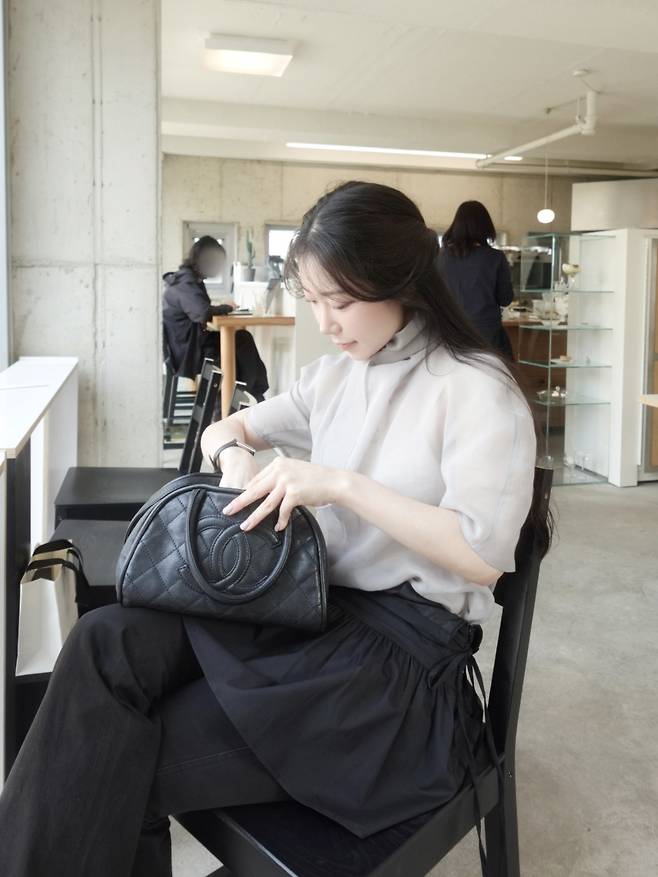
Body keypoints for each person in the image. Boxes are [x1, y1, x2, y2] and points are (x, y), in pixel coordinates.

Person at [0, 182, 551, 877]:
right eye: (313, 300)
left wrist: (340, 485)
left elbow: (482, 556)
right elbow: (227, 428)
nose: (325, 322)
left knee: (115, 756)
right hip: (313, 613)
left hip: (393, 672)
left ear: (403, 282)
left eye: (340, 301)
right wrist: (235, 460)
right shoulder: (336, 376)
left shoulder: (475, 387)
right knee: (102, 640)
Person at [163, 235, 269, 401]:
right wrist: (227, 307)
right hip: (188, 353)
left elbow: (200, 310)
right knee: (241, 341)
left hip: (187, 346)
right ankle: (248, 396)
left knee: (240, 342)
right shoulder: (186, 282)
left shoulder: (185, 279)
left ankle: (240, 398)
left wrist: (221, 308)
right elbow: (202, 312)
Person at [438, 200, 515, 358]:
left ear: (456, 225)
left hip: (448, 332)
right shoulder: (495, 258)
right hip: (486, 334)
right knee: (492, 370)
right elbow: (505, 298)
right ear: (486, 226)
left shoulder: (440, 257)